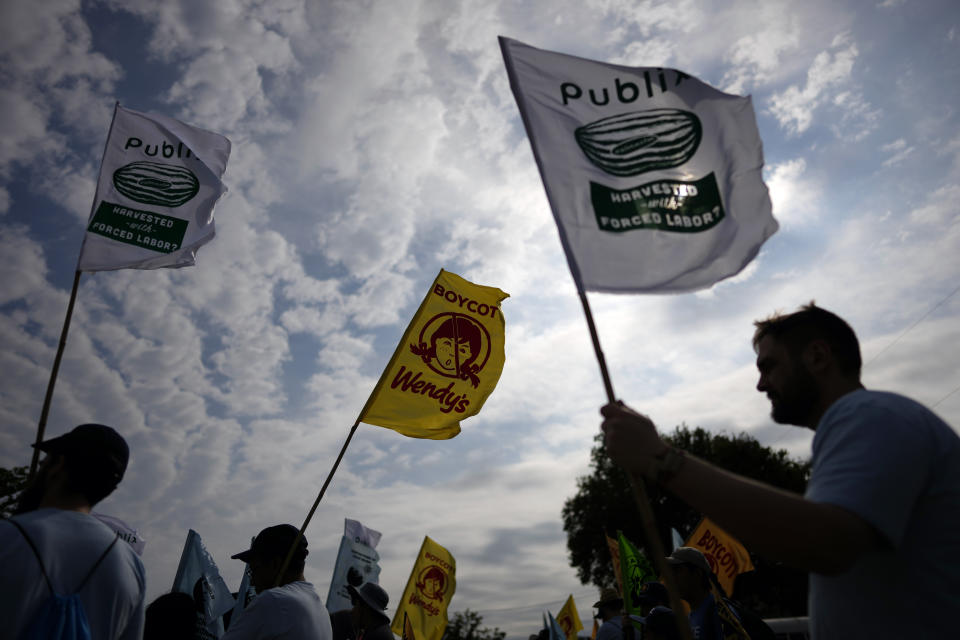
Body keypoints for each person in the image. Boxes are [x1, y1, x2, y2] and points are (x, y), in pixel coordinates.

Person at [601, 303, 960, 638]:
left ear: (817, 356)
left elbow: (826, 543)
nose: (761, 384)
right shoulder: (867, 422)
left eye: (768, 366)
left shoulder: (868, 415)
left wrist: (661, 460)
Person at [0, 424, 146, 639]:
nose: (40, 466)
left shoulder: (7, 537)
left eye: (44, 461)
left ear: (58, 464)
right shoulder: (132, 567)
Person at [223, 524, 332, 640]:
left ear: (275, 564)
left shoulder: (273, 601)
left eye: (254, 570)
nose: (252, 582)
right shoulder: (321, 610)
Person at [665, 548, 722, 640]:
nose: (672, 578)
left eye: (677, 571)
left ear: (697, 574)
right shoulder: (690, 617)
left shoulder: (718, 612)